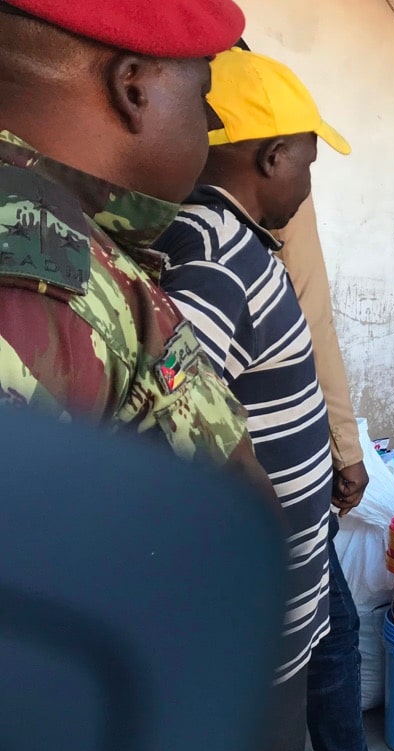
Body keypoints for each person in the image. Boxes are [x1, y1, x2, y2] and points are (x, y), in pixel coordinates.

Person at [156, 48, 394, 751]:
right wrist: (261, 521)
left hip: (290, 542)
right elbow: (177, 406)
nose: (310, 184)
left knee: (329, 652)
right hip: (265, 555)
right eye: (310, 163)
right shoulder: (213, 256)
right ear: (273, 157)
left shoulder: (239, 240)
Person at [0, 0, 268, 486]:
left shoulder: (69, 242)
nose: (209, 120)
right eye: (201, 90)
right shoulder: (40, 284)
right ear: (132, 88)